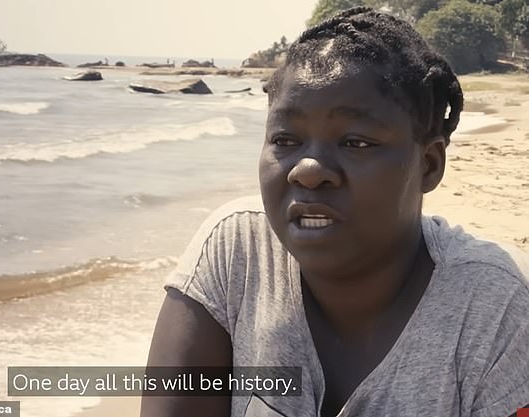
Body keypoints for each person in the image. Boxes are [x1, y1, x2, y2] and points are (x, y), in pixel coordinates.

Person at [141, 7, 529, 417]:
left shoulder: (495, 312)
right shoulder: (235, 254)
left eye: (355, 142)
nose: (308, 171)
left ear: (429, 165)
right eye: (286, 139)